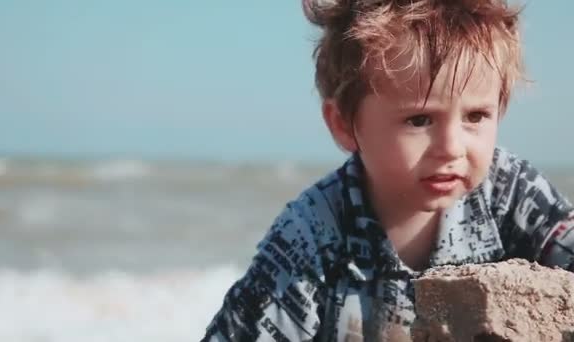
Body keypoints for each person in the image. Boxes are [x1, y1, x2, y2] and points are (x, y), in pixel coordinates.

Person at [202, 0, 574, 340]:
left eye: (475, 116)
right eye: (419, 120)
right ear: (345, 125)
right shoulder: (313, 232)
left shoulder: (507, 191)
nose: (452, 147)